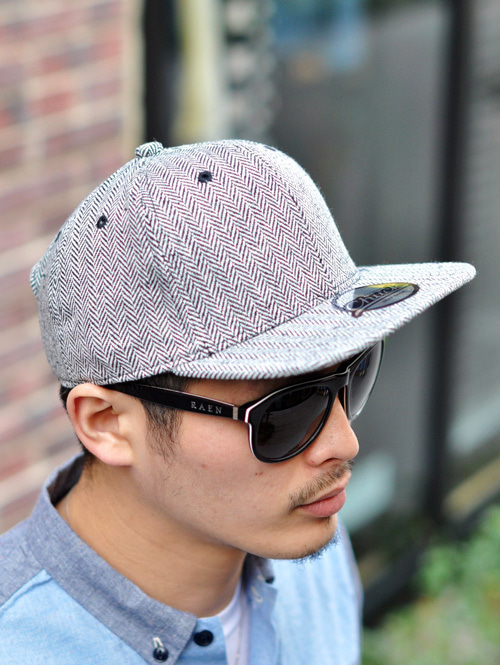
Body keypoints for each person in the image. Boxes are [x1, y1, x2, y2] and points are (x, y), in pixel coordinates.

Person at [0, 140, 474, 664]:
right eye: (284, 412)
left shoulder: (307, 537)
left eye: (354, 376)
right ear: (108, 423)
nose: (344, 443)